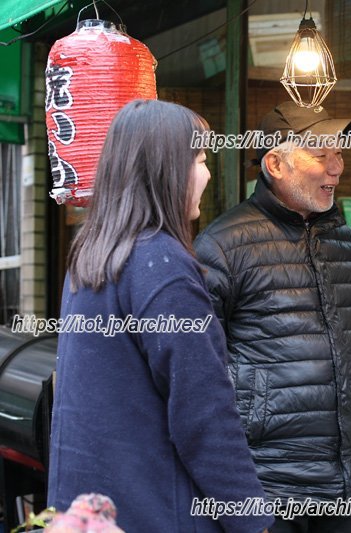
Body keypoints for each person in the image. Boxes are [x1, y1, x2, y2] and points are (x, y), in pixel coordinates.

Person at [48, 99, 273, 533]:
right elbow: (204, 411)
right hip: (158, 511)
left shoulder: (93, 254)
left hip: (91, 514)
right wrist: (251, 519)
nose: (207, 174)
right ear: (168, 168)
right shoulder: (162, 265)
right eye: (202, 159)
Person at [194, 102, 351, 533]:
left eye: (339, 154)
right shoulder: (223, 245)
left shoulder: (344, 241)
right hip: (267, 488)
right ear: (275, 164)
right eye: (321, 155)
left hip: (342, 485)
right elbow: (199, 372)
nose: (336, 168)